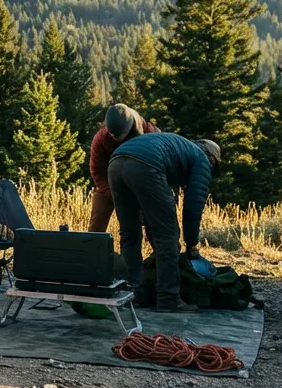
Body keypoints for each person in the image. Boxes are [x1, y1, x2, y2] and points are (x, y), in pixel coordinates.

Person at [107, 133, 221, 313]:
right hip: (145, 164)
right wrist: (191, 243)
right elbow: (193, 207)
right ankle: (168, 299)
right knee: (168, 237)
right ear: (212, 159)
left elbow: (150, 206)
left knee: (129, 234)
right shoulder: (202, 159)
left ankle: (135, 293)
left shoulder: (178, 148)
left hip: (115, 163)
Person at [88, 104, 158, 232]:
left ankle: (159, 250)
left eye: (119, 135)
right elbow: (97, 172)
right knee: (98, 216)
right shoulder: (100, 139)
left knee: (154, 217)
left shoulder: (150, 134)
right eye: (112, 135)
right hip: (110, 185)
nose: (115, 138)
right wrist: (115, 195)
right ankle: (92, 248)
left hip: (141, 183)